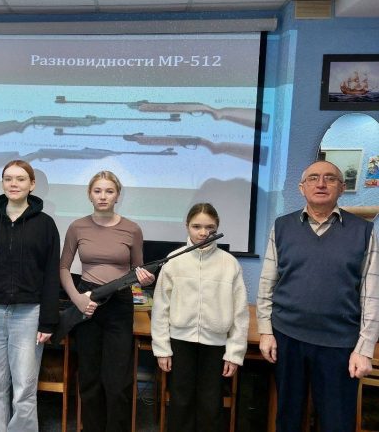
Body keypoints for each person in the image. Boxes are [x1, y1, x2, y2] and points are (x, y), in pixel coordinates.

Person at [257, 160, 379, 432]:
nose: (321, 184)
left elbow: (372, 295)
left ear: (342, 188)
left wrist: (364, 349)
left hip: (339, 344)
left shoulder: (363, 231)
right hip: (287, 338)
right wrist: (265, 331)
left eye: (330, 178)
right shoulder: (282, 226)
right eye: (313, 178)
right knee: (288, 419)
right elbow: (267, 283)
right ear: (302, 188)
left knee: (337, 421)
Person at [0, 160, 60, 432]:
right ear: (2, 183)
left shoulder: (46, 225)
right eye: (8, 179)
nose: (13, 184)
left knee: (24, 388)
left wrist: (48, 321)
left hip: (28, 315)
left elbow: (51, 275)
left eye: (20, 179)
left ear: (32, 184)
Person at [59, 170, 155, 432]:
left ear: (117, 196)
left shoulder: (132, 229)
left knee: (118, 381)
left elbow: (137, 271)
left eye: (109, 191)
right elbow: (64, 268)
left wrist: (144, 280)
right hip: (87, 301)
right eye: (98, 191)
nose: (103, 196)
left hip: (119, 303)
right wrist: (78, 300)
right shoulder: (77, 227)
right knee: (89, 377)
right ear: (90, 194)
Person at [151, 203, 249, 432]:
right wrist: (162, 348)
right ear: (187, 226)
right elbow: (160, 308)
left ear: (217, 228)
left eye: (209, 227)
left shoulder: (229, 263)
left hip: (215, 345)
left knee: (210, 403)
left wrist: (234, 353)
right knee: (180, 401)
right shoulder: (174, 260)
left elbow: (240, 313)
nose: (203, 233)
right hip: (180, 342)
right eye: (197, 226)